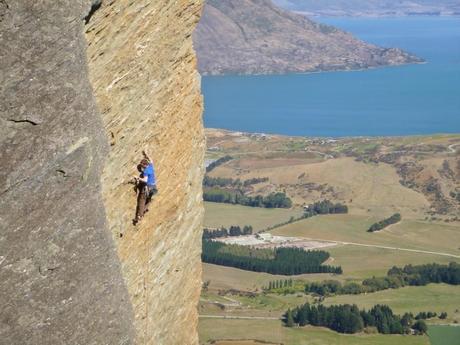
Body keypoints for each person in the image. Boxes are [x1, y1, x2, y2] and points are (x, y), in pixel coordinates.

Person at [133, 150, 157, 225]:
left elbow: (145, 180)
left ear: (144, 166)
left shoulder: (146, 171)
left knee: (141, 201)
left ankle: (139, 216)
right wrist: (146, 154)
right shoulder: (151, 166)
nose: (141, 169)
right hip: (153, 187)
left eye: (142, 166)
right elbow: (151, 160)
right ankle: (144, 210)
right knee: (149, 199)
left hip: (148, 187)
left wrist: (138, 178)